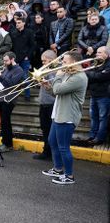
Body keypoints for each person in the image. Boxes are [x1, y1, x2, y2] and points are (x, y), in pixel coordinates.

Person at [42, 51, 88, 185]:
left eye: (65, 61)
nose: (62, 63)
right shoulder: (69, 73)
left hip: (67, 116)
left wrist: (58, 75)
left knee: (63, 147)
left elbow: (58, 90)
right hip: (59, 113)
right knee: (52, 141)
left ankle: (69, 175)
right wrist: (47, 87)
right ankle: (57, 169)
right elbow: (56, 92)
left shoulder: (79, 77)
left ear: (74, 62)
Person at [0, 51, 24, 152]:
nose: (5, 63)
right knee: (3, 121)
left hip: (10, 99)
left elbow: (11, 83)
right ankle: (4, 142)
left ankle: (8, 144)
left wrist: (1, 75)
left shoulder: (19, 70)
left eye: (6, 61)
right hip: (2, 97)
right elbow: (3, 83)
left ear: (12, 60)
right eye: (4, 61)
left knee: (6, 121)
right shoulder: (7, 68)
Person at [33, 50, 57, 160]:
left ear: (51, 60)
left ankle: (51, 153)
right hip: (43, 103)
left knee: (50, 130)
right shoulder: (46, 70)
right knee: (45, 129)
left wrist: (45, 82)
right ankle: (46, 151)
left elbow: (55, 89)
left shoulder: (56, 71)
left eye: (44, 61)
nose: (43, 63)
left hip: (51, 104)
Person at [85, 46, 110, 146]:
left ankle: (99, 138)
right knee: (94, 117)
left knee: (103, 117)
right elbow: (93, 77)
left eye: (99, 53)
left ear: (107, 54)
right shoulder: (95, 63)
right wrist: (92, 74)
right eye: (97, 52)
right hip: (94, 93)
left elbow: (101, 76)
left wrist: (88, 73)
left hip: (104, 95)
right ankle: (92, 135)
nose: (97, 54)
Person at [10, 17, 35, 101]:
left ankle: (27, 95)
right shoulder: (13, 33)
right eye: (16, 23)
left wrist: (28, 56)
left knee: (25, 77)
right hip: (16, 59)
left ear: (24, 23)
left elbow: (33, 45)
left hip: (25, 59)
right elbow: (12, 47)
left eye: (19, 22)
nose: (17, 24)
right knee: (15, 78)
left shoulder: (29, 32)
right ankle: (15, 95)